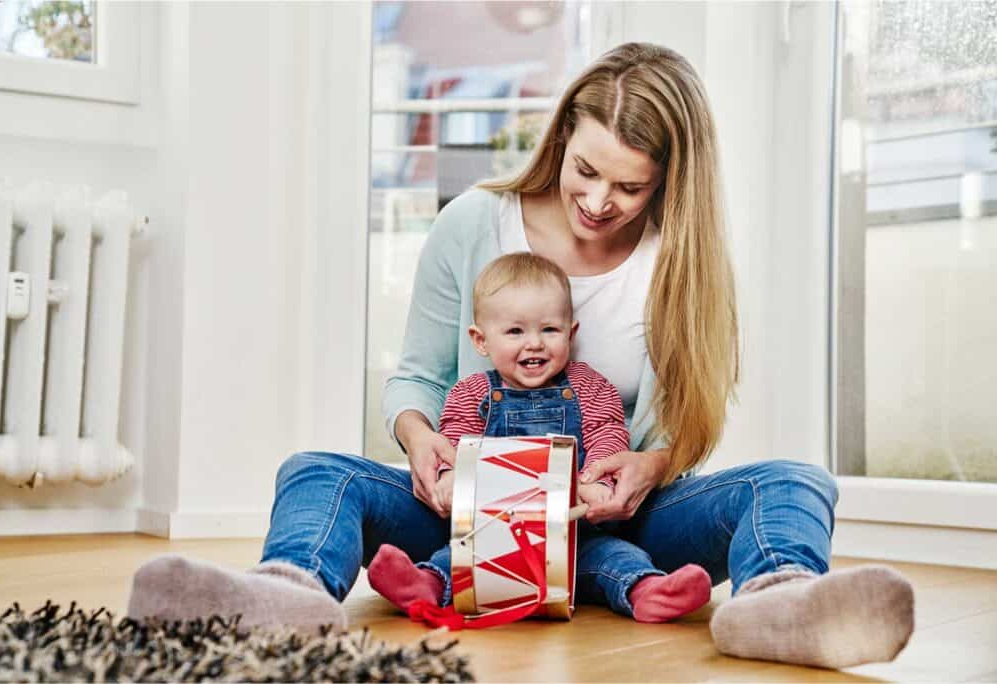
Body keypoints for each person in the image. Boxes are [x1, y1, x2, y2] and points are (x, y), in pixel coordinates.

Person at [128, 42, 914, 669]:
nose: (600, 202)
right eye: (586, 169)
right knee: (315, 471)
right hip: (469, 516)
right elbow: (418, 376)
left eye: (630, 187)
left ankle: (782, 602)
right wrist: (419, 438)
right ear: (563, 134)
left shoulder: (683, 260)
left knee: (796, 482)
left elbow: (689, 417)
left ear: (671, 182)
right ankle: (287, 590)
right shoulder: (473, 223)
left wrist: (649, 465)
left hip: (620, 523)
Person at [367, 252, 712, 623]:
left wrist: (596, 480)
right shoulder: (470, 395)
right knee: (454, 555)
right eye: (515, 331)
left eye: (549, 330)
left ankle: (648, 592)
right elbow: (454, 446)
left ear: (571, 333)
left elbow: (608, 433)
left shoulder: (590, 388)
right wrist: (452, 480)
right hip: (493, 535)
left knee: (618, 556)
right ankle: (426, 585)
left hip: (576, 534)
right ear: (481, 341)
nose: (534, 343)